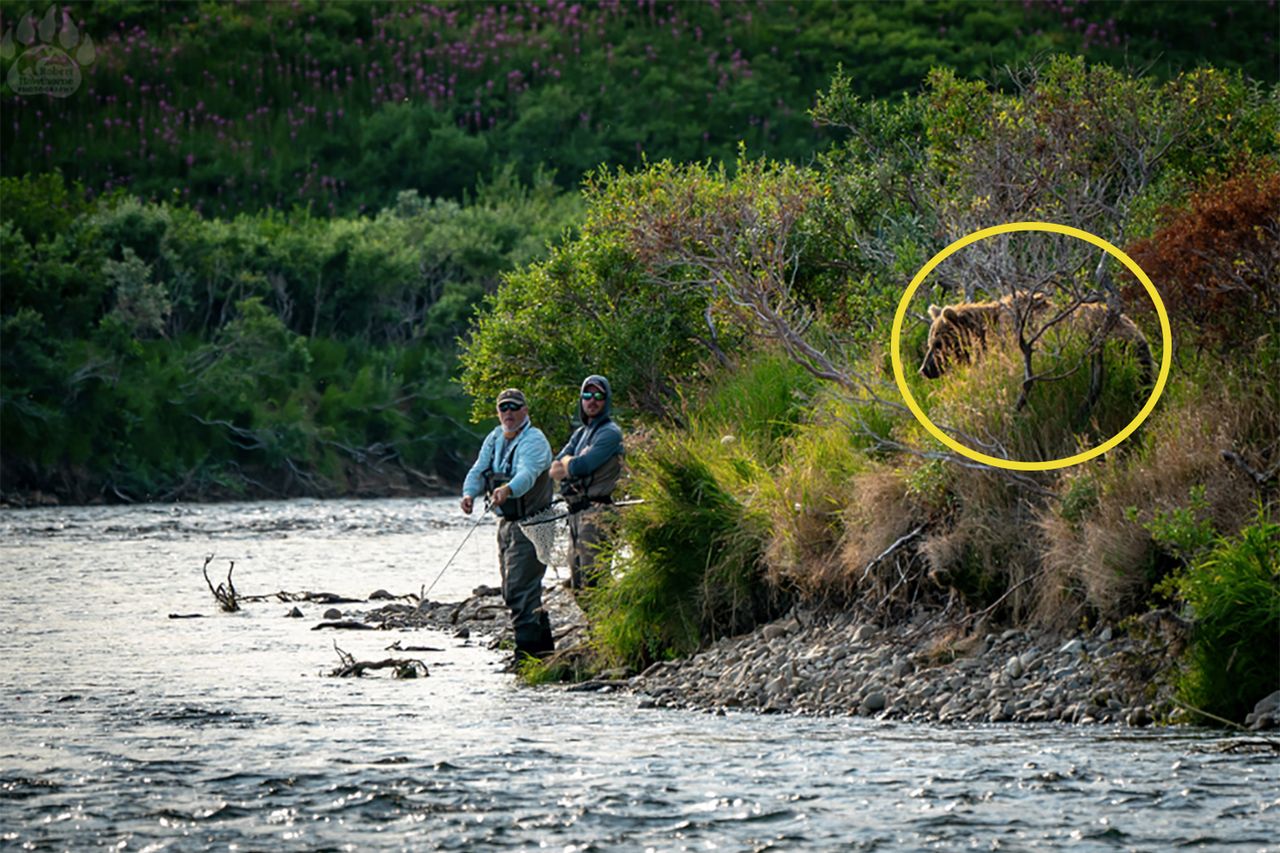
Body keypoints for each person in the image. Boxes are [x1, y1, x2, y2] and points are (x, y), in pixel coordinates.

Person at [461, 388, 555, 662]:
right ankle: (544, 654)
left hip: (535, 524)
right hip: (507, 524)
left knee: (519, 589)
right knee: (513, 589)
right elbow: (479, 470)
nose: (509, 413)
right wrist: (468, 494)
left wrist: (508, 489)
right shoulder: (494, 437)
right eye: (503, 408)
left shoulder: (534, 441)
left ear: (525, 411)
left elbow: (527, 473)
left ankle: (525, 656)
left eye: (514, 407)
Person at [549, 375, 624, 590]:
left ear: (606, 399)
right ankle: (594, 623)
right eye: (587, 395)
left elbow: (580, 466)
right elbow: (554, 470)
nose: (592, 400)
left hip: (599, 512)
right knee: (577, 583)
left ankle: (605, 622)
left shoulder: (610, 433)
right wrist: (568, 462)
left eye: (598, 395)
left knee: (594, 580)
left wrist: (569, 462)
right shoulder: (581, 433)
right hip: (575, 513)